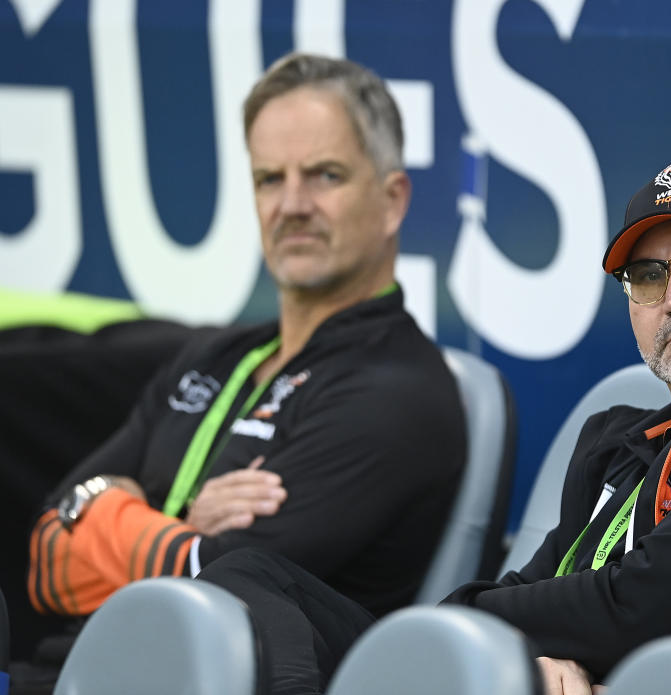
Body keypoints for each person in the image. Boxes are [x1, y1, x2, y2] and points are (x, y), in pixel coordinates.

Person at [198, 156, 671, 695]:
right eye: (646, 277)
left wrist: (482, 624)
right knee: (247, 576)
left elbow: (646, 601)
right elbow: (542, 589)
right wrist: (529, 654)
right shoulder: (624, 441)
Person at [26, 53, 466, 627]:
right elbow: (45, 546)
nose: (292, 205)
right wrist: (180, 522)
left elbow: (217, 582)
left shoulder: (396, 390)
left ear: (392, 201)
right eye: (269, 179)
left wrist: (116, 511)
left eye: (324, 175)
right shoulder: (213, 356)